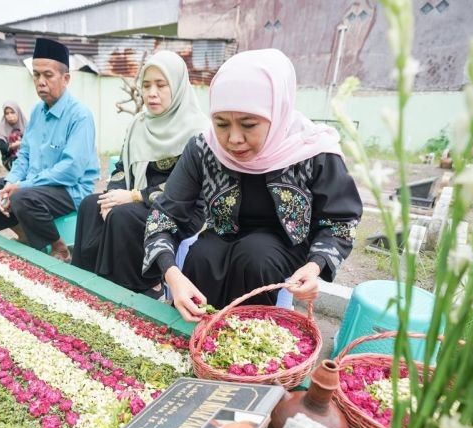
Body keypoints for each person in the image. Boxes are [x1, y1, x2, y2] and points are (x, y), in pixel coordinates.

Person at [143, 49, 363, 322]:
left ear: (277, 112)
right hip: (223, 235)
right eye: (221, 123)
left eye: (249, 124)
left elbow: (341, 221)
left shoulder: (312, 150)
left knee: (256, 256)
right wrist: (172, 275)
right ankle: (199, 343)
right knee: (201, 256)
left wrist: (315, 265)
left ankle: (250, 350)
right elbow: (163, 217)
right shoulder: (204, 148)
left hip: (283, 246)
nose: (233, 138)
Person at [72, 51, 207, 298]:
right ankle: (85, 283)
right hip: (135, 200)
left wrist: (134, 196)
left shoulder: (198, 130)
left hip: (180, 208)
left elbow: (187, 189)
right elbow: (122, 168)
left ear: (177, 86)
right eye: (146, 85)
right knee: (91, 205)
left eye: (161, 85)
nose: (151, 93)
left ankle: (136, 289)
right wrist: (112, 196)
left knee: (123, 216)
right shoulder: (139, 124)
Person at [0, 38, 99, 261]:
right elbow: (25, 155)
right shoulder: (38, 112)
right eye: (36, 75)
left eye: (48, 75)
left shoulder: (80, 115)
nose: (41, 82)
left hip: (71, 189)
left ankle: (60, 248)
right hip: (37, 187)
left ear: (66, 78)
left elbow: (71, 170)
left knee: (22, 197)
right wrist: (10, 183)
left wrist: (22, 186)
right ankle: (26, 238)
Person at [0, 101, 26, 171]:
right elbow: (3, 149)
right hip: (10, 160)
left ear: (18, 113)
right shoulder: (0, 130)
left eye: (12, 112)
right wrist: (14, 145)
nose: (10, 116)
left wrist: (22, 143)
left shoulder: (27, 127)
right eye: (7, 113)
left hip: (27, 158)